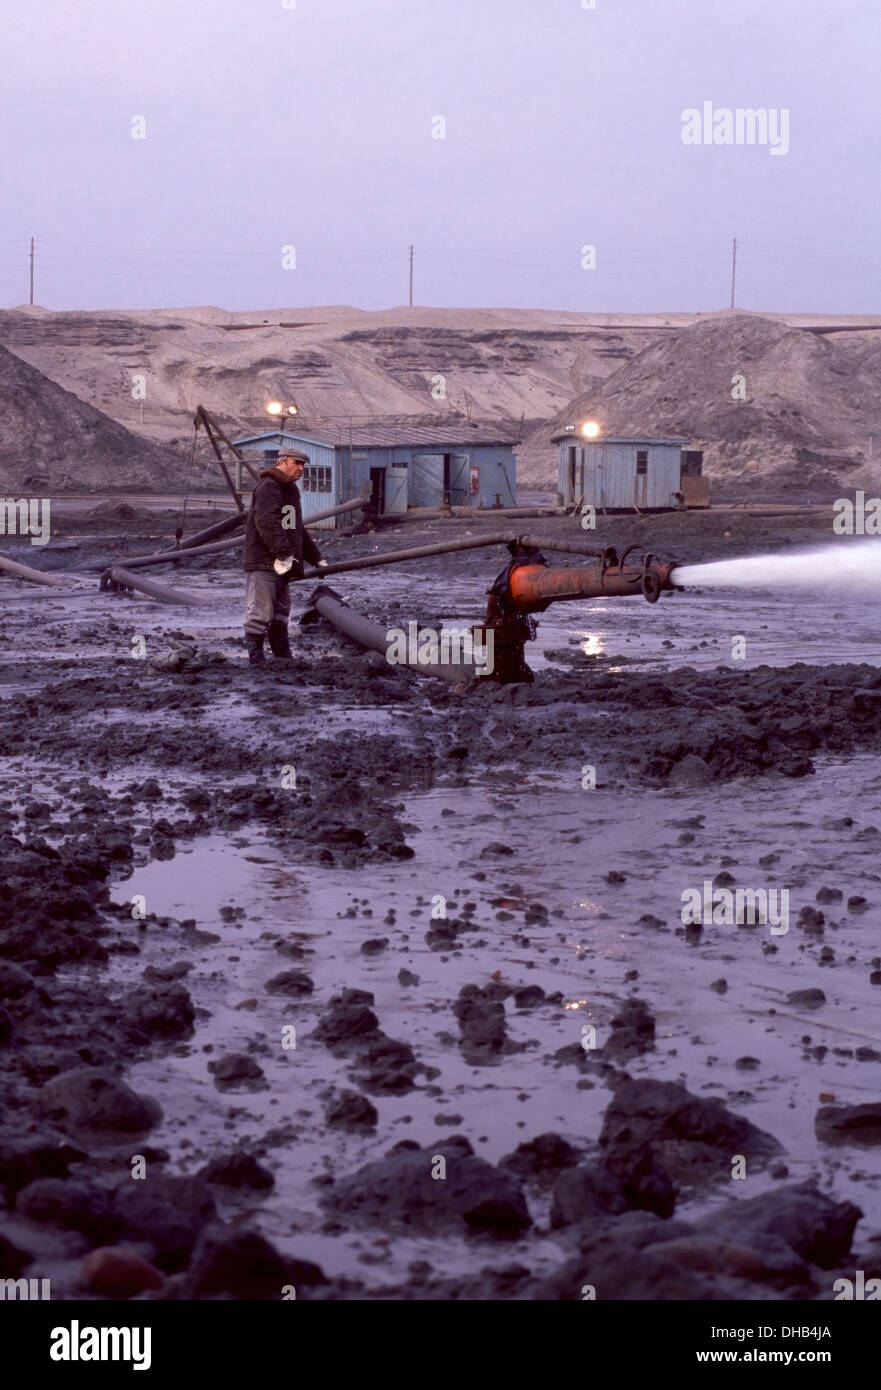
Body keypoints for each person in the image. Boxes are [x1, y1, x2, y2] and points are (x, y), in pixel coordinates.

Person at [242, 449, 326, 664]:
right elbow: (267, 523)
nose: (300, 469)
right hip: (265, 562)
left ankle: (283, 657)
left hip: (282, 564)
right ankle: (256, 660)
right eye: (296, 463)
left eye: (303, 465)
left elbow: (296, 528)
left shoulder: (290, 489)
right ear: (282, 462)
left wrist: (315, 557)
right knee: (261, 613)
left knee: (280, 614)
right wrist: (283, 553)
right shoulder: (269, 487)